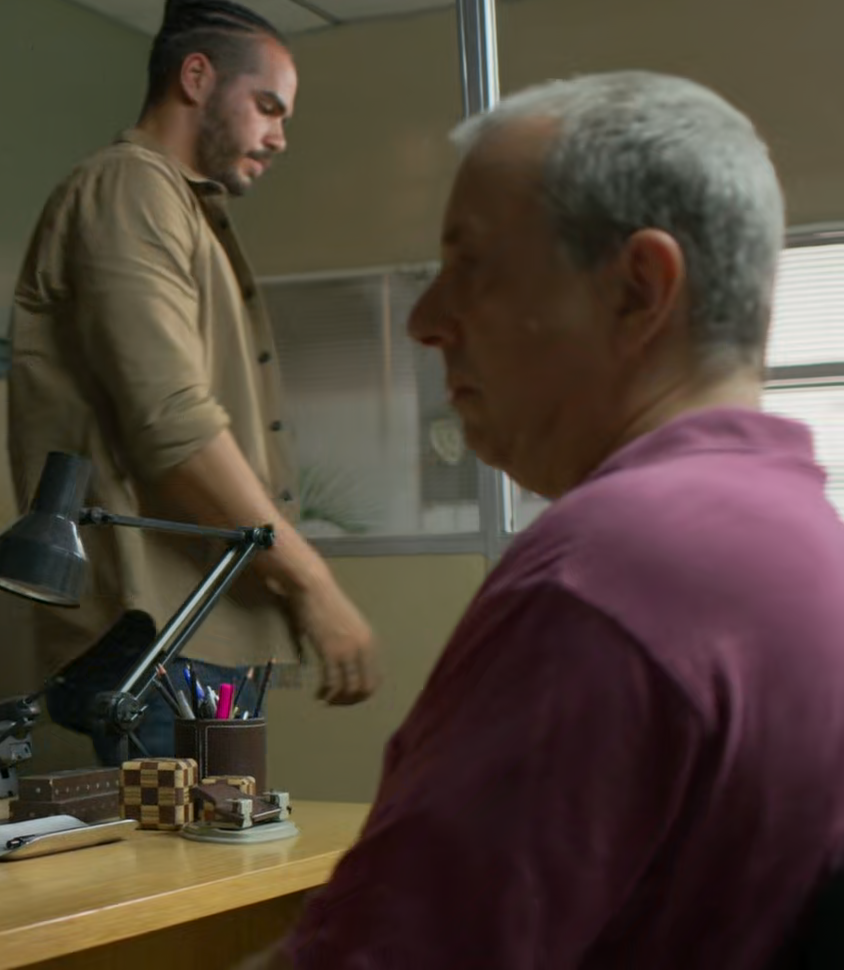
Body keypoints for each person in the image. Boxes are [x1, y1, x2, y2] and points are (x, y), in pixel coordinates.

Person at [256, 72, 844, 967]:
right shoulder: (802, 533)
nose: (425, 320)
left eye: (472, 267)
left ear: (637, 289)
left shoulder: (610, 579)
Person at [7, 0, 380, 764]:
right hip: (157, 635)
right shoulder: (130, 188)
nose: (279, 137)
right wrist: (312, 582)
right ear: (198, 77)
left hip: (197, 631)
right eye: (268, 108)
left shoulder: (181, 207)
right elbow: (170, 424)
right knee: (191, 843)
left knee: (224, 837)